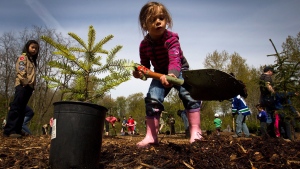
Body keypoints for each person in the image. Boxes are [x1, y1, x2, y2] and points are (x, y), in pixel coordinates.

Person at [133, 2, 202, 148]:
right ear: (144, 25)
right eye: (152, 19)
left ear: (167, 21)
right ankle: (151, 136)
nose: (158, 22)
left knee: (189, 94)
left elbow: (175, 61)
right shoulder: (144, 45)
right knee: (152, 98)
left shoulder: (171, 39)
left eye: (161, 18)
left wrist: (172, 75)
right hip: (159, 73)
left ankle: (196, 131)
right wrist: (140, 73)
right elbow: (145, 67)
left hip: (179, 70)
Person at [3, 40, 39, 138]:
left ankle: (17, 130)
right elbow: (21, 71)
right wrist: (25, 82)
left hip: (29, 88)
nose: (34, 50)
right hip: (22, 86)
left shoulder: (32, 61)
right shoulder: (23, 58)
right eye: (32, 47)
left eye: (36, 48)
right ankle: (9, 130)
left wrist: (32, 86)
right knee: (16, 107)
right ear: (27, 47)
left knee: (22, 109)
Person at [259, 66, 276, 137]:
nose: (272, 74)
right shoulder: (267, 77)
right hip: (268, 99)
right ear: (269, 71)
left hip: (262, 99)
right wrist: (274, 92)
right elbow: (268, 85)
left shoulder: (261, 77)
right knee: (269, 115)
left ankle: (265, 131)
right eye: (272, 72)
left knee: (265, 115)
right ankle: (269, 133)